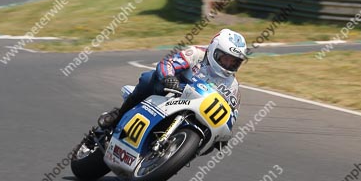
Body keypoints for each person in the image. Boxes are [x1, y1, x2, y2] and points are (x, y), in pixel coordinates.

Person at [98, 29, 248, 130]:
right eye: (225, 58)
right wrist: (169, 77)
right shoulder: (196, 54)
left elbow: (232, 114)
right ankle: (118, 116)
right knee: (147, 78)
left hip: (196, 116)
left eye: (234, 61)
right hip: (171, 93)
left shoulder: (233, 86)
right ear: (214, 50)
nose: (228, 64)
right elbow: (167, 63)